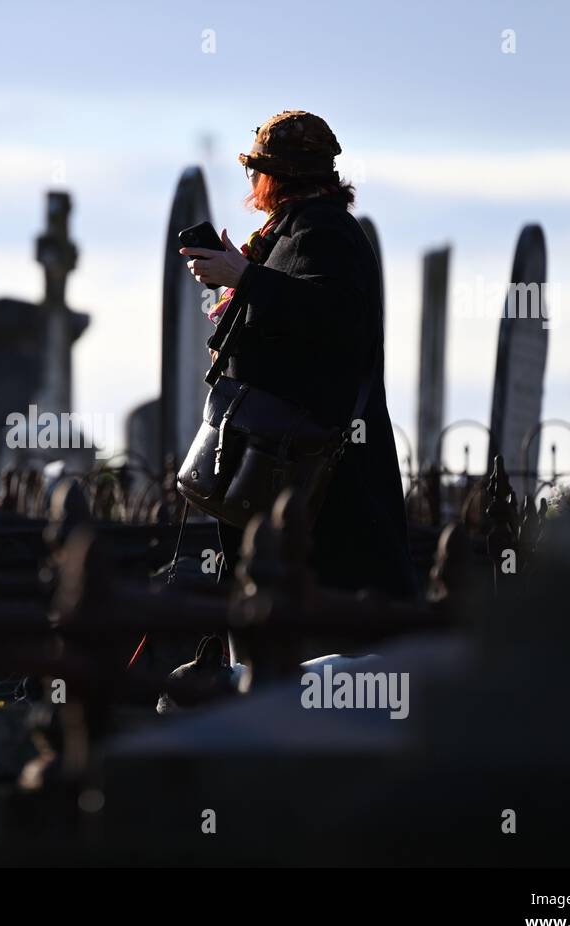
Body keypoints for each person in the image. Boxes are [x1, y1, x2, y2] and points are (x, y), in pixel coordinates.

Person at [180, 110, 415, 601]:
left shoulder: (325, 231)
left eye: (256, 171)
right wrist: (241, 271)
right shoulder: (289, 232)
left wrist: (243, 277)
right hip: (283, 467)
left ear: (275, 178)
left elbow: (332, 317)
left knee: (327, 638)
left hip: (322, 479)